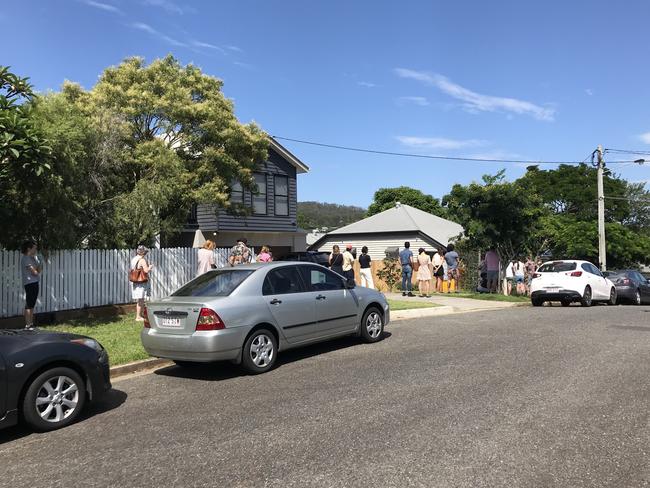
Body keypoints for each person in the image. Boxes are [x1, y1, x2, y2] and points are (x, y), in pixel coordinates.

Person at [21, 240, 41, 329]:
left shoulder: (32, 258)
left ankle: (31, 324)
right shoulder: (25, 258)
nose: (36, 250)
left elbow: (39, 271)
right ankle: (27, 325)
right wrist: (37, 270)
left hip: (35, 282)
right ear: (29, 248)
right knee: (29, 304)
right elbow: (35, 272)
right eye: (34, 248)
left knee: (32, 304)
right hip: (29, 283)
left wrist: (38, 262)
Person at [131, 245, 153, 322]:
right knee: (141, 299)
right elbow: (146, 271)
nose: (146, 254)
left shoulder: (134, 259)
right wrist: (150, 267)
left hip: (136, 281)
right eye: (145, 252)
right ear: (143, 252)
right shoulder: (142, 260)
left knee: (140, 299)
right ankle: (138, 316)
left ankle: (141, 315)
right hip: (141, 282)